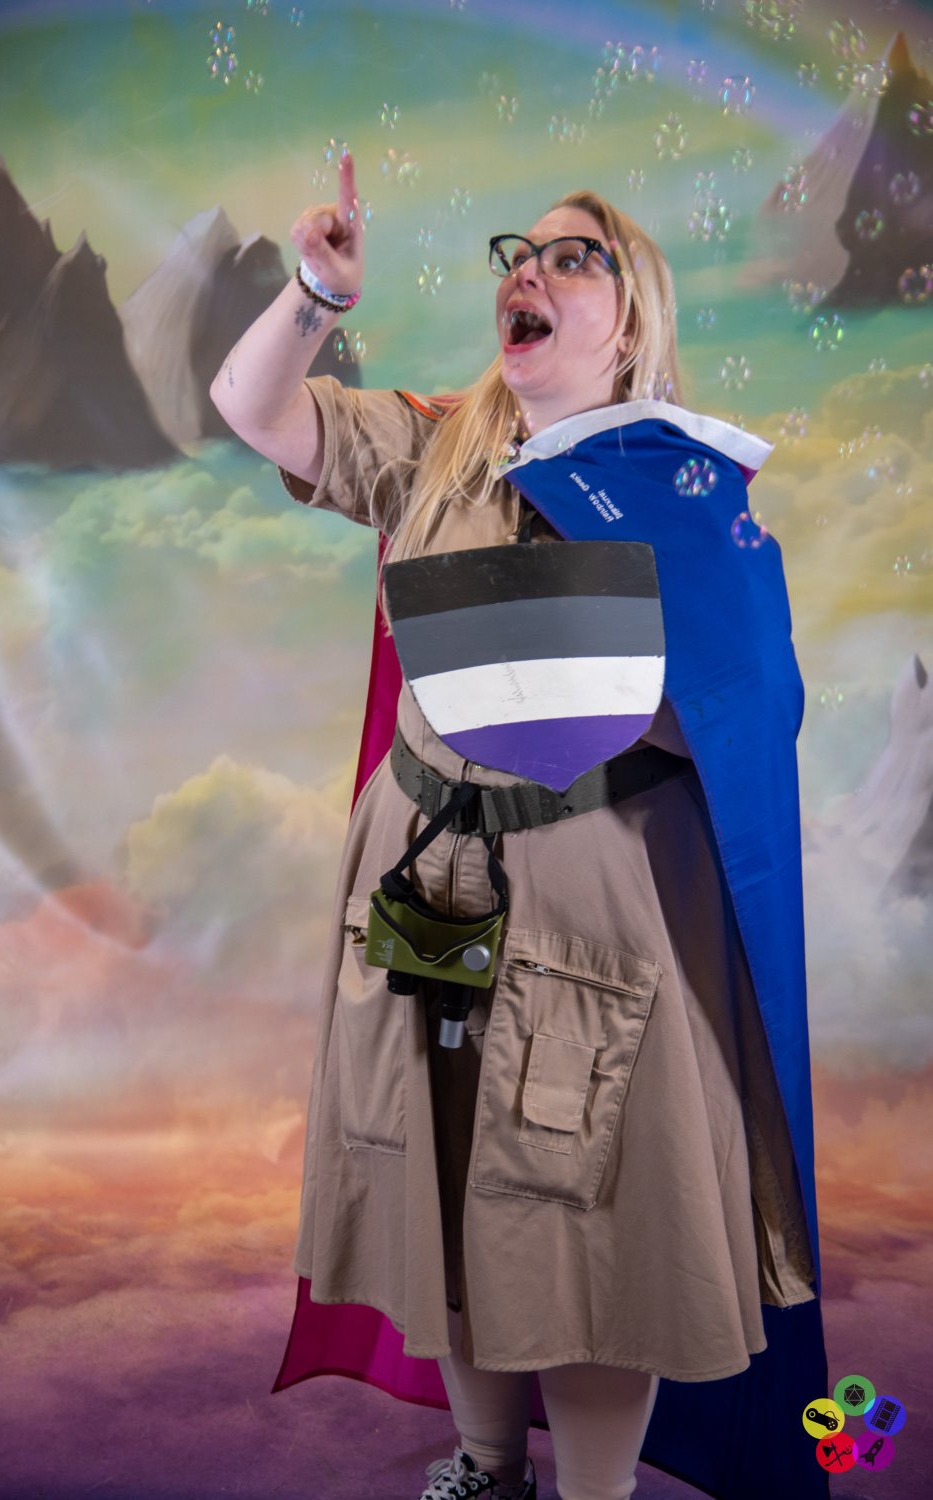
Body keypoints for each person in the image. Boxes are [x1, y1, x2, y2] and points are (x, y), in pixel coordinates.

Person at [209, 154, 825, 1500]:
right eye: (518, 255)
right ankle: (486, 1465)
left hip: (594, 904)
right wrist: (315, 292)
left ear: (633, 320)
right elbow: (250, 407)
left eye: (572, 257)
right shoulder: (436, 438)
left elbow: (747, 720)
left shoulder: (694, 493)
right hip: (429, 873)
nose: (528, 273)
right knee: (441, 1172)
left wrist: (661, 654)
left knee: (579, 1205)